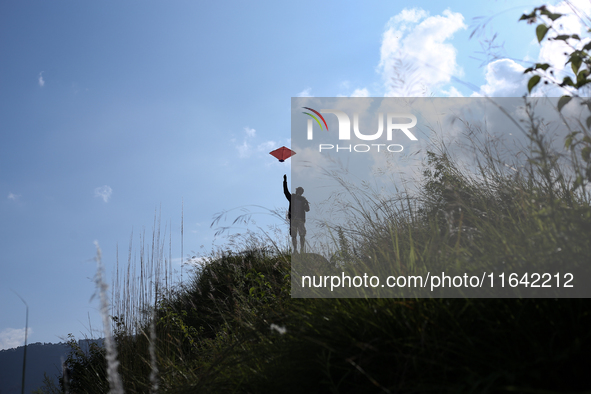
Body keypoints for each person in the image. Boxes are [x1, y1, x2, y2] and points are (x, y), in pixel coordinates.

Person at [283, 174, 310, 253]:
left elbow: (307, 209)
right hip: (293, 219)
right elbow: (285, 192)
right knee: (294, 235)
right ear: (297, 190)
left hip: (301, 219)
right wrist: (285, 181)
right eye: (299, 190)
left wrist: (306, 204)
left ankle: (302, 249)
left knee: (302, 235)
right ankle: (295, 250)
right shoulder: (292, 197)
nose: (300, 192)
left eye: (301, 191)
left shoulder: (303, 199)